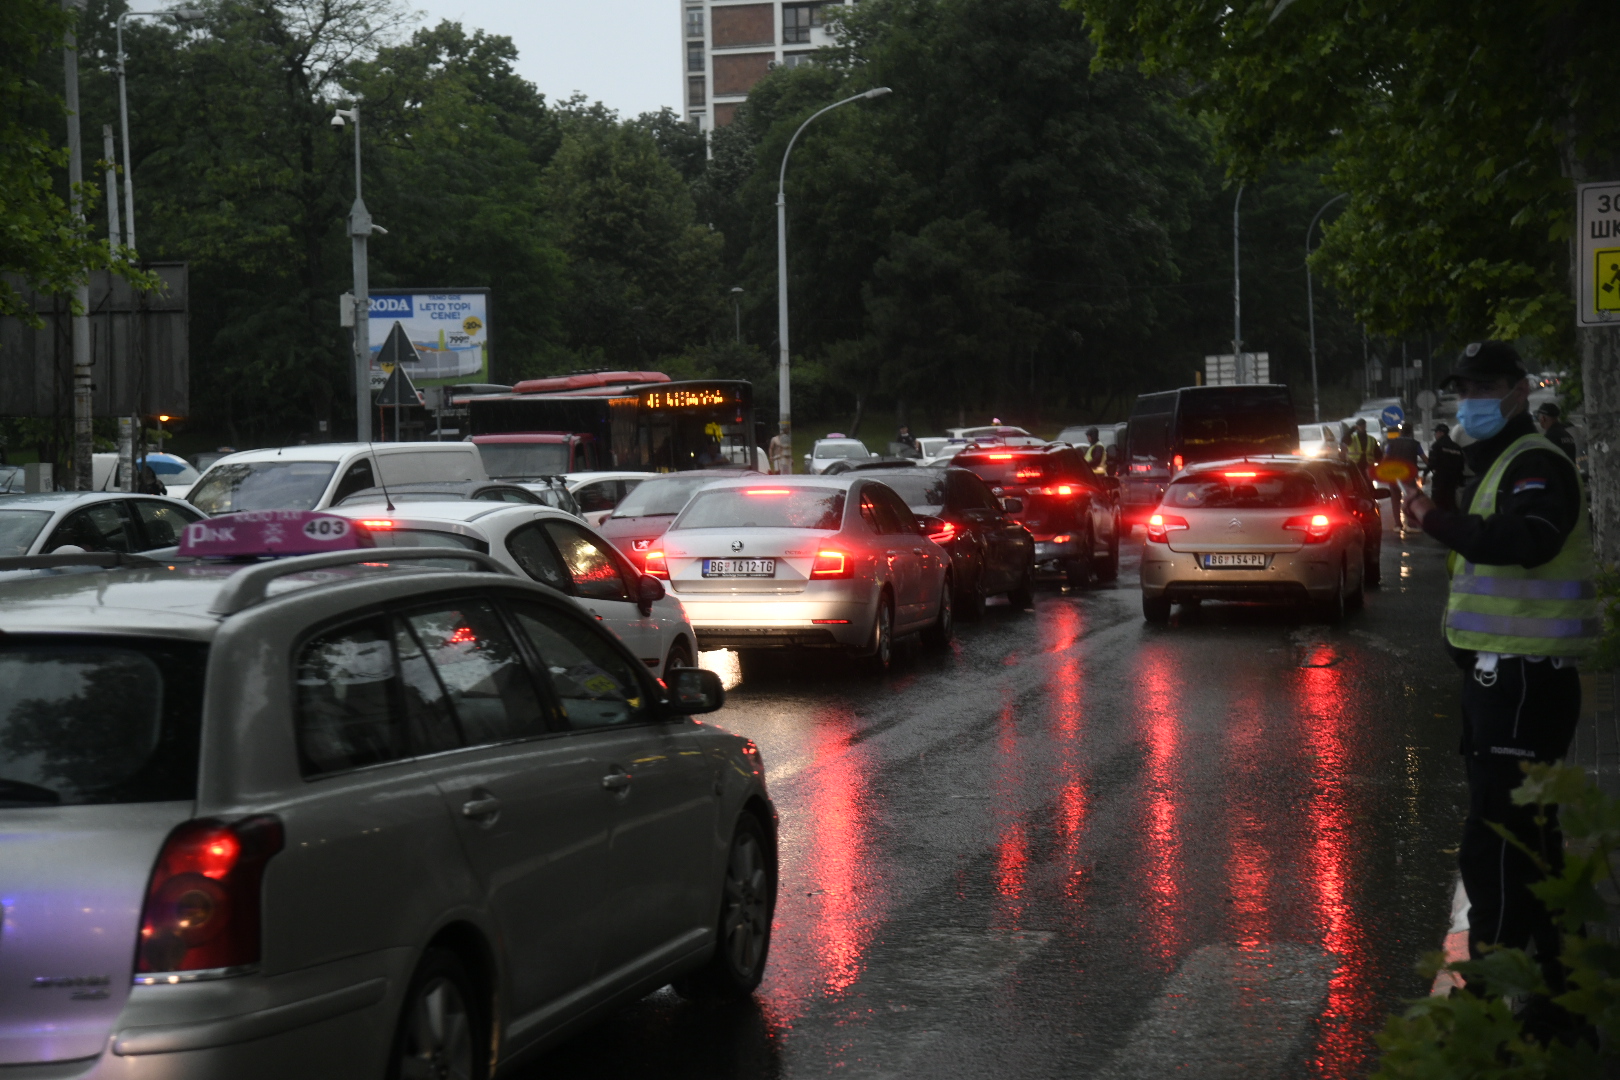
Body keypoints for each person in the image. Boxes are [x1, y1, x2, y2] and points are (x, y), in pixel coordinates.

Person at [1400, 341, 1597, 1038]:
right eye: (1463, 388)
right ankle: (1559, 995)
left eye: (1484, 387)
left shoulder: (1535, 461)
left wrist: (1432, 516)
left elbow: (1526, 538)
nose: (1470, 400)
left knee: (1498, 844)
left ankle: (1492, 997)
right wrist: (1444, 487)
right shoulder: (1500, 460)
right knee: (1529, 838)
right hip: (1507, 678)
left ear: (1518, 389)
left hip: (1523, 679)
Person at [1382, 423, 1427, 530]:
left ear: (1400, 432)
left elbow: (1385, 459)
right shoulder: (1415, 444)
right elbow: (1425, 459)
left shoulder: (1392, 443)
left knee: (1395, 500)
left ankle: (1398, 524)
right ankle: (1412, 523)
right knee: (1410, 499)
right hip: (1409, 476)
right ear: (1411, 433)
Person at [1424, 422, 1467, 512]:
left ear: (1441, 433)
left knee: (1437, 503)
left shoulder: (1436, 446)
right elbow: (1461, 464)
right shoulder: (1456, 447)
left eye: (1436, 432)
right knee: (1451, 501)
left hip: (1440, 479)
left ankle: (1439, 519)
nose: (1435, 435)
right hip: (1453, 480)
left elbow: (1432, 463)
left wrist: (1424, 474)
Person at [1345, 418, 1381, 485]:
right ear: (1357, 427)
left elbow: (1378, 453)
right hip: (1355, 465)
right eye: (1360, 425)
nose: (1362, 427)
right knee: (1356, 482)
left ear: (1365, 426)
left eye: (1363, 425)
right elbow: (1344, 439)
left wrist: (1380, 464)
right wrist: (1352, 429)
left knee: (1368, 483)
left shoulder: (1371, 439)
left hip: (1368, 464)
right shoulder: (1352, 438)